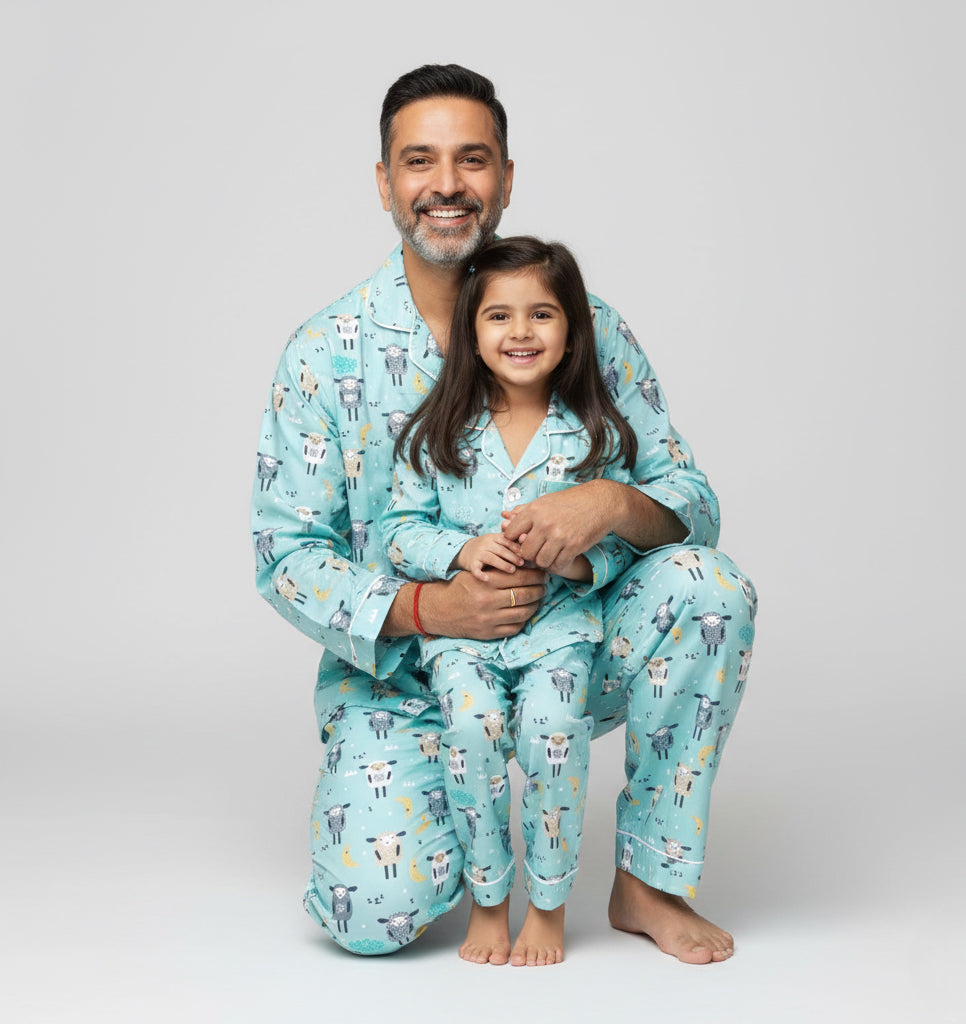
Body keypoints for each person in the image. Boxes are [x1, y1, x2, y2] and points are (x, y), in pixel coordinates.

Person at [251, 63, 756, 966]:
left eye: (472, 159)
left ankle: (649, 879)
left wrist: (609, 503)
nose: (447, 184)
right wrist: (425, 609)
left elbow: (694, 505)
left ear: (507, 178)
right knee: (367, 914)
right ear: (384, 183)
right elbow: (285, 554)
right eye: (419, 162)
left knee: (707, 588)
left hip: (569, 643)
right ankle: (454, 833)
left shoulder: (585, 328)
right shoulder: (325, 352)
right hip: (409, 681)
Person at [380, 236, 639, 965]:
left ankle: (548, 906)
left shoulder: (597, 436)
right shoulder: (436, 433)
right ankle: (489, 901)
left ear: (572, 331)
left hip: (559, 628)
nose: (520, 332)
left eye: (542, 315)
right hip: (463, 637)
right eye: (499, 316)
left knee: (555, 739)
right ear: (471, 331)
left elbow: (621, 546)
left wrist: (581, 562)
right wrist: (459, 551)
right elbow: (400, 533)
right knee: (472, 734)